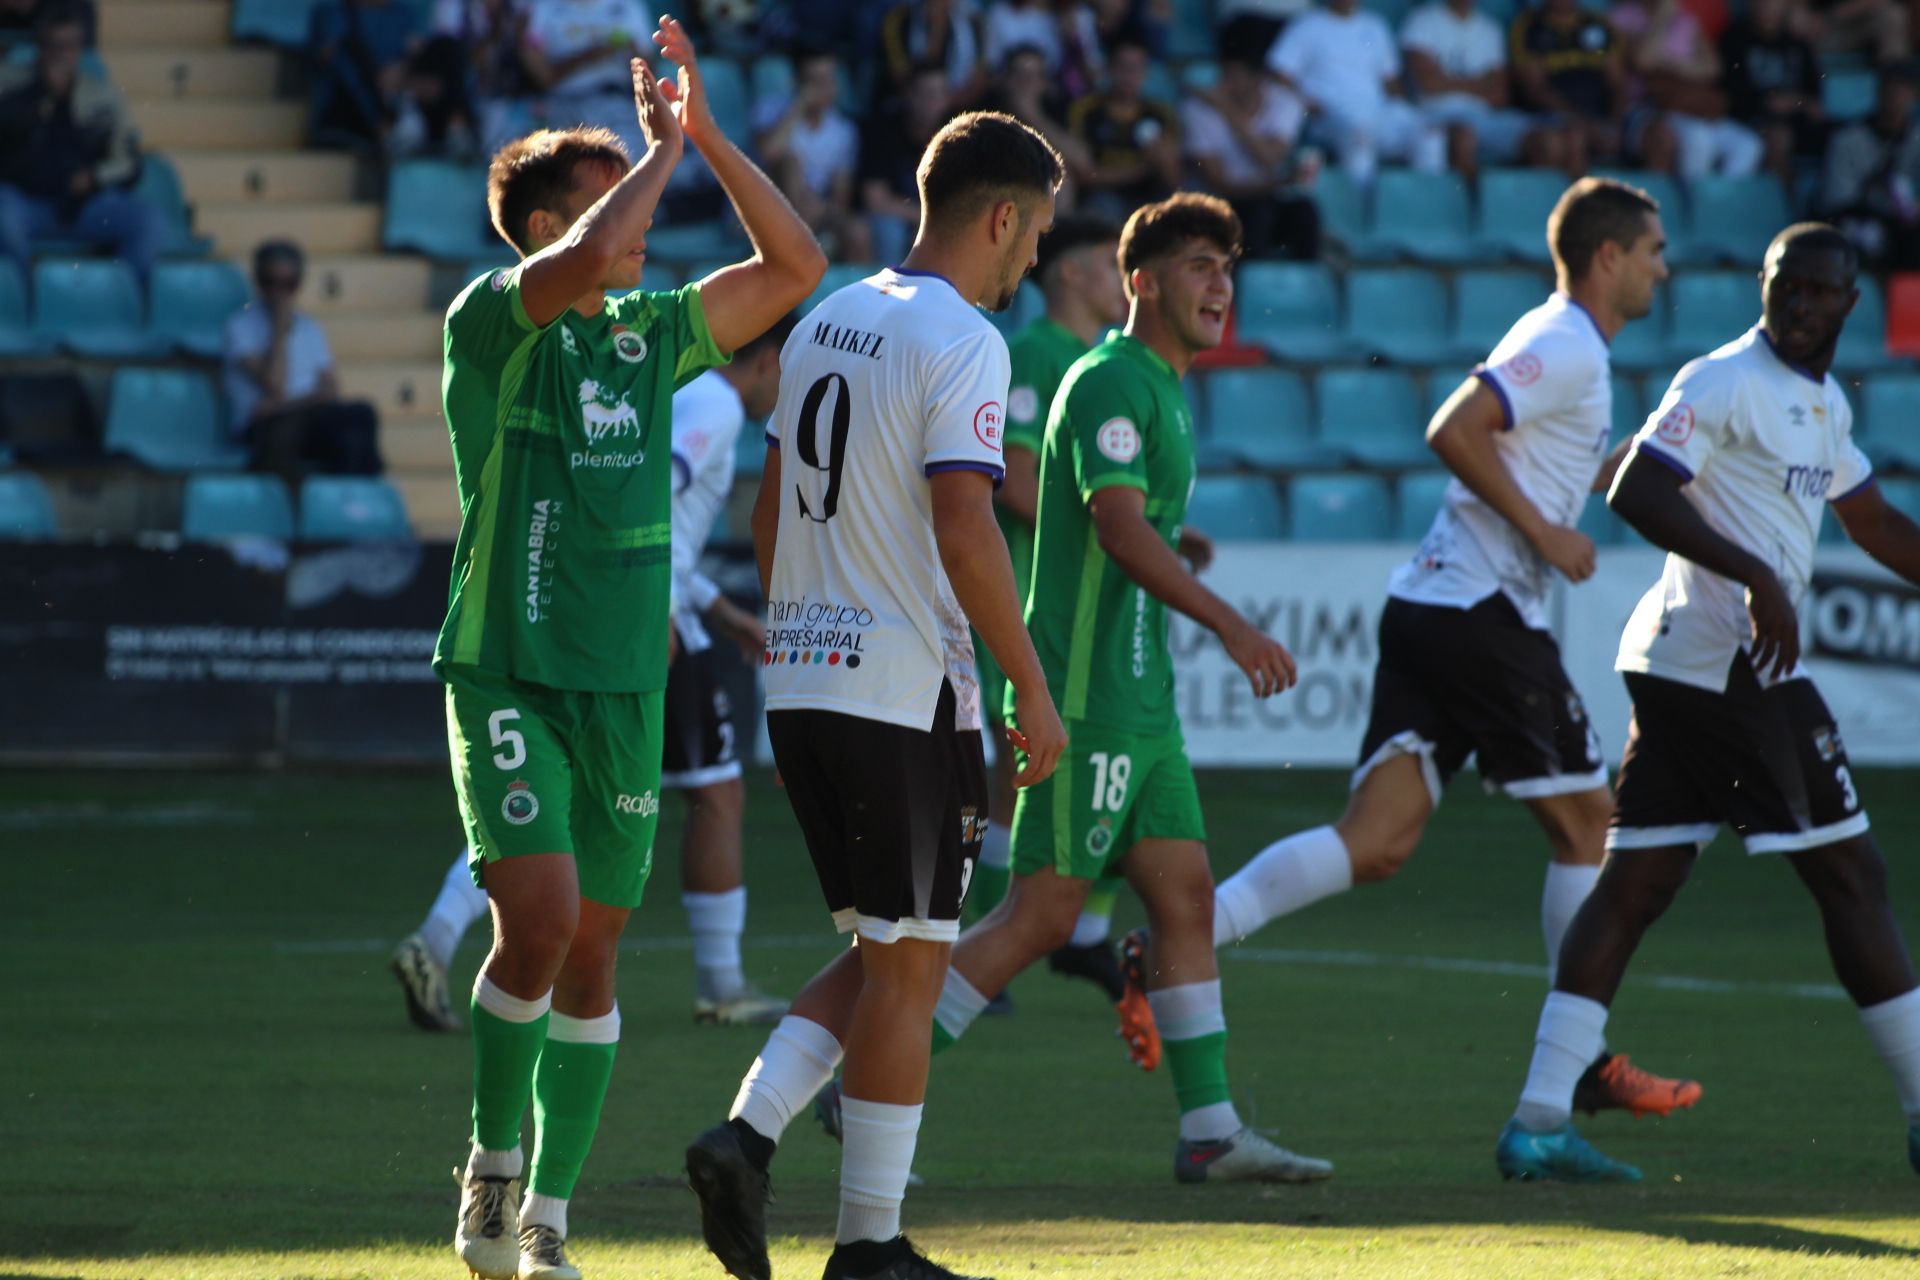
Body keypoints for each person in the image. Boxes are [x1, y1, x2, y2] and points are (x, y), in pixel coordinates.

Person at [1151, 177, 1699, 1127]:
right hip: (1477, 612)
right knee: (1589, 827)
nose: (1664, 266)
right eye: (1652, 249)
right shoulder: (1564, 338)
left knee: (1377, 843)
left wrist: (1600, 485)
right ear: (1608, 256)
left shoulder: (1575, 352)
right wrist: (1541, 530)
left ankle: (1183, 935)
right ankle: (1570, 1074)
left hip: (1435, 607)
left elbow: (1528, 456)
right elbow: (1452, 426)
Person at [439, 16, 823, 1280]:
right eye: (601, 202)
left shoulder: (647, 335)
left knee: (595, 951)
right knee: (538, 918)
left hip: (623, 684)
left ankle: (551, 1209)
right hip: (508, 666)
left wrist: (704, 134)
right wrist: (656, 153)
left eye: (634, 192)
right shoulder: (497, 323)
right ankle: (492, 1173)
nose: (635, 222)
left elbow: (796, 262)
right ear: (546, 224)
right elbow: (603, 248)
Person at [683, 110, 1068, 1280]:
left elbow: (764, 512)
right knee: (913, 966)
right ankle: (869, 1248)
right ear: (1001, 216)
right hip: (903, 690)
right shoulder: (966, 340)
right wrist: (1032, 691)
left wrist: (799, 619)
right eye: (1038, 233)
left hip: (802, 680)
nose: (1036, 259)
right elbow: (967, 524)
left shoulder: (826, 319)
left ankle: (744, 1137)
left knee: (883, 944)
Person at [920, 193, 1330, 1186]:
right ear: (1138, 279)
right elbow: (1112, 526)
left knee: (1184, 900)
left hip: (1142, 703)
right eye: (1197, 265)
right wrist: (1230, 620)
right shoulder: (1108, 379)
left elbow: (1122, 517)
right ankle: (870, 1081)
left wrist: (1165, 541)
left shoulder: (1154, 385)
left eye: (1226, 269)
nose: (1219, 285)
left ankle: (1211, 1130)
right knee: (1043, 915)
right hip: (1086, 695)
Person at [1496, 223, 1920, 1183]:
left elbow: (1877, 521)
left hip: (1685, 664)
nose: (1798, 304)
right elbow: (1639, 491)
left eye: (1817, 291)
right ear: (1764, 285)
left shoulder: (1820, 408)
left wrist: (1761, 578)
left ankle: (1536, 1122)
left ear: (1849, 301)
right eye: (1784, 286)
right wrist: (1755, 577)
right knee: (1852, 875)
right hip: (1730, 662)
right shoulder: (1722, 378)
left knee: (1638, 883)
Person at [390, 314, 798, 1035]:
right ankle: (721, 984)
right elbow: (642, 506)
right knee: (716, 794)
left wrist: (717, 605)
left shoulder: (693, 398)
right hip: (642, 625)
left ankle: (436, 938)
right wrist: (664, 610)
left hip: (639, 612)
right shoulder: (714, 406)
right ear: (767, 360)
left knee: (553, 799)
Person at [965, 211, 1131, 1007]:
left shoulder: (1099, 359)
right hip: (1027, 594)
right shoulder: (1034, 352)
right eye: (1107, 263)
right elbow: (1016, 476)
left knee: (1081, 761)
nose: (1119, 278)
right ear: (1068, 273)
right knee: (1013, 768)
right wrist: (1107, 533)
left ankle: (1072, 934)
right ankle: (983, 936)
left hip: (1069, 599)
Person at [0, 1, 161, 282]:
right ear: (40, 46)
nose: (61, 54)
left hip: (85, 205)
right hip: (27, 201)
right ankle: (29, 297)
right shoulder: (10, 85)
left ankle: (116, 300)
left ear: (80, 48)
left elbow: (129, 164)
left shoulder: (103, 97)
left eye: (69, 45)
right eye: (53, 44)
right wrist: (40, 94)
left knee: (147, 221)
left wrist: (95, 177)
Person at [222, 240, 384, 489]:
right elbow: (274, 384)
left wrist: (280, 406)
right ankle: (289, 515)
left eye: (288, 284)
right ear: (257, 280)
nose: (279, 293)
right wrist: (279, 331)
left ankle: (355, 505)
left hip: (300, 417)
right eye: (270, 282)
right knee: (283, 430)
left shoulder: (310, 328)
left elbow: (330, 391)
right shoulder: (240, 327)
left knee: (360, 417)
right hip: (261, 428)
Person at [1267, 0, 1447, 185]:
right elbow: (1279, 74)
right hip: (1328, 114)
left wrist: (1401, 108)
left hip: (1376, 111)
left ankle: (1423, 207)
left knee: (1430, 134)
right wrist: (1305, 101)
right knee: (1359, 134)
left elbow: (1390, 80)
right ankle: (1361, 207)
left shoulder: (1375, 25)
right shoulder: (1307, 24)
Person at [1179, 36, 1321, 259]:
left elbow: (1270, 158)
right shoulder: (1198, 110)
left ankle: (1305, 282)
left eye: (1237, 75)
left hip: (1267, 198)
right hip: (1221, 206)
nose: (1228, 82)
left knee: (1304, 212)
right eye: (1225, 74)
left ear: (1257, 78)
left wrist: (1229, 113)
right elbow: (1221, 184)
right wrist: (1277, 183)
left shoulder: (1285, 102)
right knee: (1257, 214)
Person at [1400, 0, 1568, 177]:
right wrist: (1480, 83)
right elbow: (1429, 85)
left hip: (1485, 118)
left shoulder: (1490, 29)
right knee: (1463, 138)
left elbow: (1499, 96)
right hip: (1436, 116)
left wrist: (1447, 81)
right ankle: (1469, 203)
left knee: (1549, 142)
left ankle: (1528, 202)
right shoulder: (1422, 21)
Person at [1612, 0, 1765, 179]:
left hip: (1690, 106)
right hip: (1652, 108)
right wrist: (1662, 17)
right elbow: (1643, 60)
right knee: (1699, 139)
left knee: (1748, 145)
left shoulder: (1685, 20)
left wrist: (1673, 66)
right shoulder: (1624, 16)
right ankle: (1694, 202)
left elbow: (1713, 68)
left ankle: (1719, 201)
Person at [752, 46, 871, 261]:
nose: (824, 88)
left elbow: (840, 196)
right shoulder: (770, 110)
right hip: (770, 209)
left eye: (829, 79)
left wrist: (822, 209)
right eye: (815, 80)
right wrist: (800, 105)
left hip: (819, 211)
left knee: (858, 232)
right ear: (797, 82)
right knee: (790, 162)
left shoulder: (844, 130)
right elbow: (767, 153)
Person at [1066, 36, 1181, 218]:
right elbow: (1085, 174)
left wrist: (1163, 160)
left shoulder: (1160, 114)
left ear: (1145, 72)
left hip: (1150, 196)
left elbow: (1175, 182)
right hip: (1102, 197)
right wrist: (1141, 170)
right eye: (1123, 67)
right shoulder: (1086, 110)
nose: (1129, 75)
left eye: (1137, 68)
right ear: (1110, 69)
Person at [1822, 61, 1920, 271]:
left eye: (1904, 90)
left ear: (1914, 95)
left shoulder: (1916, 139)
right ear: (1879, 92)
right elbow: (1838, 203)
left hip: (1907, 225)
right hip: (1860, 221)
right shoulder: (1848, 140)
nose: (1897, 97)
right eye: (1891, 89)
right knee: (1870, 240)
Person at [1719, 0, 1826, 186]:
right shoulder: (1734, 40)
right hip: (1751, 121)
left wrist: (1792, 102)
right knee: (1778, 138)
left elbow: (1815, 100)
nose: (1765, 5)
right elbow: (1734, 95)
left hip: (1798, 122)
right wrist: (1775, 102)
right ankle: (1782, 209)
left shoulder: (1797, 45)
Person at [308, 0, 424, 149]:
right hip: (345, 114)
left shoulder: (403, 14)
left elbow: (419, 58)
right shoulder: (332, 13)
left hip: (396, 108)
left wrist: (403, 70)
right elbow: (328, 59)